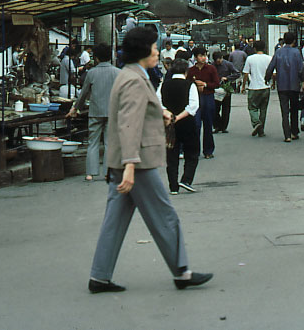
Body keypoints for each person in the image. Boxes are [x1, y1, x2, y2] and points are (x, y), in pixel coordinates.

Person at [88, 26, 212, 294]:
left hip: (124, 163)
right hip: (137, 163)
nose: (158, 51)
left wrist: (162, 114)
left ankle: (99, 276)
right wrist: (131, 166)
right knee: (165, 216)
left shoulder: (132, 75)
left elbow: (138, 113)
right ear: (144, 50)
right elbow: (129, 124)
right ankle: (182, 271)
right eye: (154, 47)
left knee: (115, 220)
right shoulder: (134, 80)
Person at [67, 44, 121, 181]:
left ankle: (90, 173)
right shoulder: (117, 73)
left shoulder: (91, 73)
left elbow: (83, 94)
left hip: (95, 111)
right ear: (111, 56)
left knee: (93, 142)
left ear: (96, 58)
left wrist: (75, 108)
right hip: (112, 111)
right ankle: (109, 172)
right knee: (110, 143)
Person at [157, 59, 200, 194]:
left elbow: (157, 102)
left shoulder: (164, 85)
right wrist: (179, 117)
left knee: (172, 154)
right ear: (186, 71)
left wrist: (169, 115)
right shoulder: (190, 85)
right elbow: (193, 106)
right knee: (192, 152)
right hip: (187, 122)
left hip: (169, 124)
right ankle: (186, 179)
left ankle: (173, 186)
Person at [264, 32, 304, 143]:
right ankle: (294, 132)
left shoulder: (278, 52)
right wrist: (303, 81)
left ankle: (287, 135)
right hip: (294, 85)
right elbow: (301, 69)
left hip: (282, 85)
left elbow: (271, 67)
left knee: (284, 111)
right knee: (294, 109)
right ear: (294, 41)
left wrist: (267, 78)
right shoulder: (297, 52)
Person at [187, 47, 218, 159]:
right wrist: (196, 85)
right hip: (196, 99)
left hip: (208, 97)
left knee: (208, 125)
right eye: (200, 55)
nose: (203, 58)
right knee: (196, 125)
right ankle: (194, 151)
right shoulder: (191, 71)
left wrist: (205, 84)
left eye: (204, 55)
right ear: (195, 57)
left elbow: (216, 83)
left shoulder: (211, 69)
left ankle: (208, 150)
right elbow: (188, 84)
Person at [243, 41, 272, 137]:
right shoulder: (269, 58)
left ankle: (256, 123)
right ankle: (261, 130)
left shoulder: (250, 58)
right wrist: (273, 84)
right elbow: (274, 73)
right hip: (265, 87)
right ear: (264, 48)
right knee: (263, 109)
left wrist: (243, 86)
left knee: (252, 107)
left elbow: (246, 73)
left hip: (253, 87)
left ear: (254, 48)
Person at [212, 51, 240, 134]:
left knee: (226, 109)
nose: (218, 62)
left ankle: (224, 127)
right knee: (214, 109)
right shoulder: (212, 65)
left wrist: (227, 78)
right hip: (215, 89)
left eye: (219, 60)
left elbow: (237, 73)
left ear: (222, 58)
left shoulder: (228, 64)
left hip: (226, 88)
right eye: (216, 61)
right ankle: (217, 126)